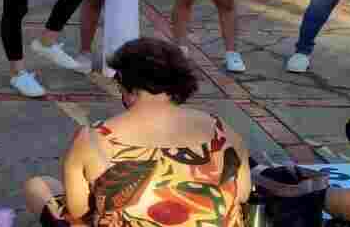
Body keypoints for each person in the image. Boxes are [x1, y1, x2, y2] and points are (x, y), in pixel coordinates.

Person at [23, 37, 251, 227]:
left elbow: (79, 210)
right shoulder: (221, 130)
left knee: (39, 186)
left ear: (124, 84)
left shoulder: (93, 138)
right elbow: (242, 195)